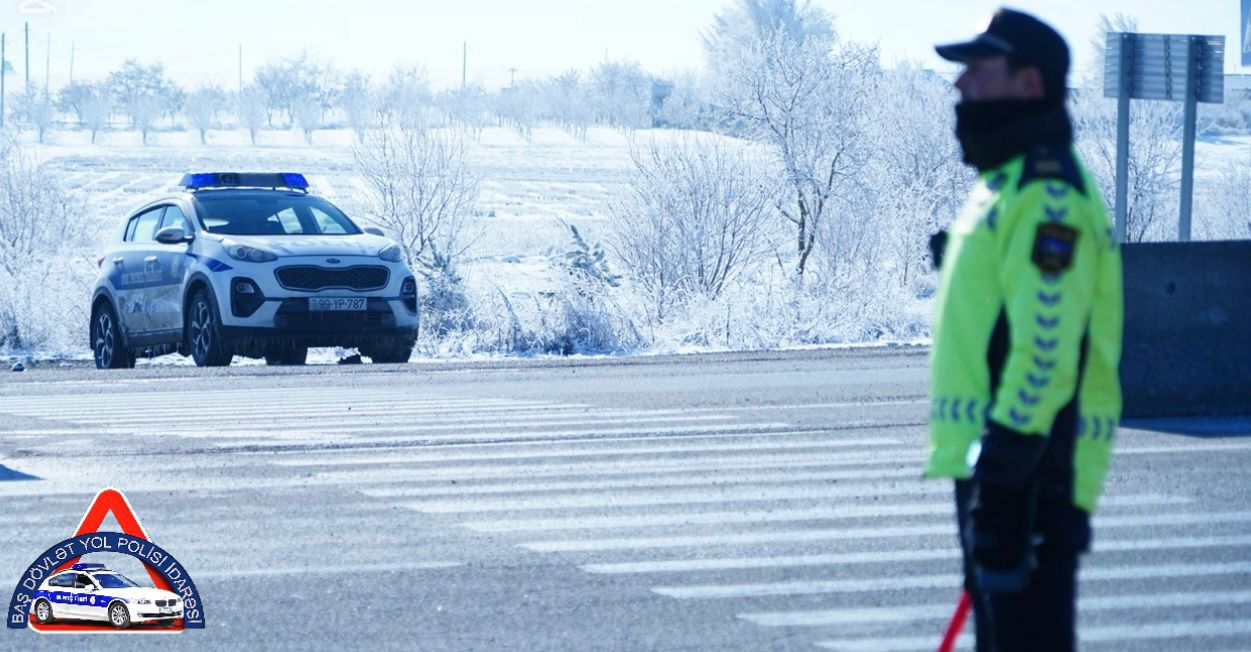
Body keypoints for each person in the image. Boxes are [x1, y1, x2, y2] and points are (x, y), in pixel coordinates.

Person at [925, 8, 1124, 652]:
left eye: (978, 70)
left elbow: (1045, 350)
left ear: (1029, 83)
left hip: (1031, 470)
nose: (960, 86)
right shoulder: (1005, 185)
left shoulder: (1047, 194)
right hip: (1002, 464)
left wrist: (1006, 489)